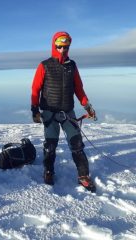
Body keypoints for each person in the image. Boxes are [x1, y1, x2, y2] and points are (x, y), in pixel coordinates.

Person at [30, 31, 96, 192]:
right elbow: (35, 89)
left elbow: (79, 89)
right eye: (59, 46)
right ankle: (48, 171)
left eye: (65, 47)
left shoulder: (72, 65)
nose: (62, 49)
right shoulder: (44, 65)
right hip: (49, 112)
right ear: (54, 45)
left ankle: (83, 176)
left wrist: (87, 107)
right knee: (50, 145)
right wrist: (35, 110)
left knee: (77, 144)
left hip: (68, 111)